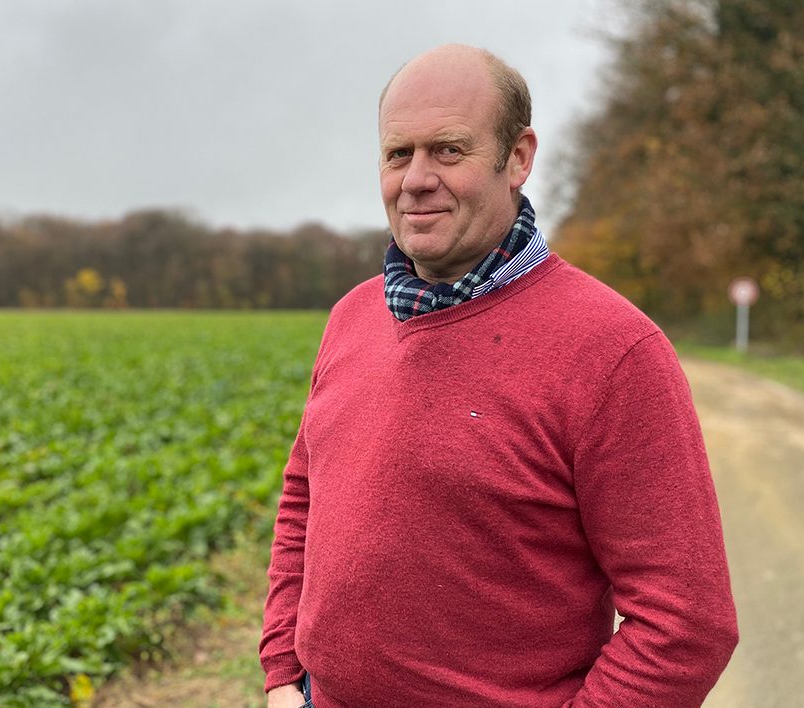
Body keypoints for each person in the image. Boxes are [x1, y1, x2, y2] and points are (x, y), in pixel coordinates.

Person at [260, 44, 738, 707]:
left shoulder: (614, 349)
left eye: (448, 151)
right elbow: (302, 504)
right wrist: (284, 674)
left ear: (518, 158)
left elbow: (687, 624)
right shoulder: (351, 318)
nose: (417, 179)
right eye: (399, 154)